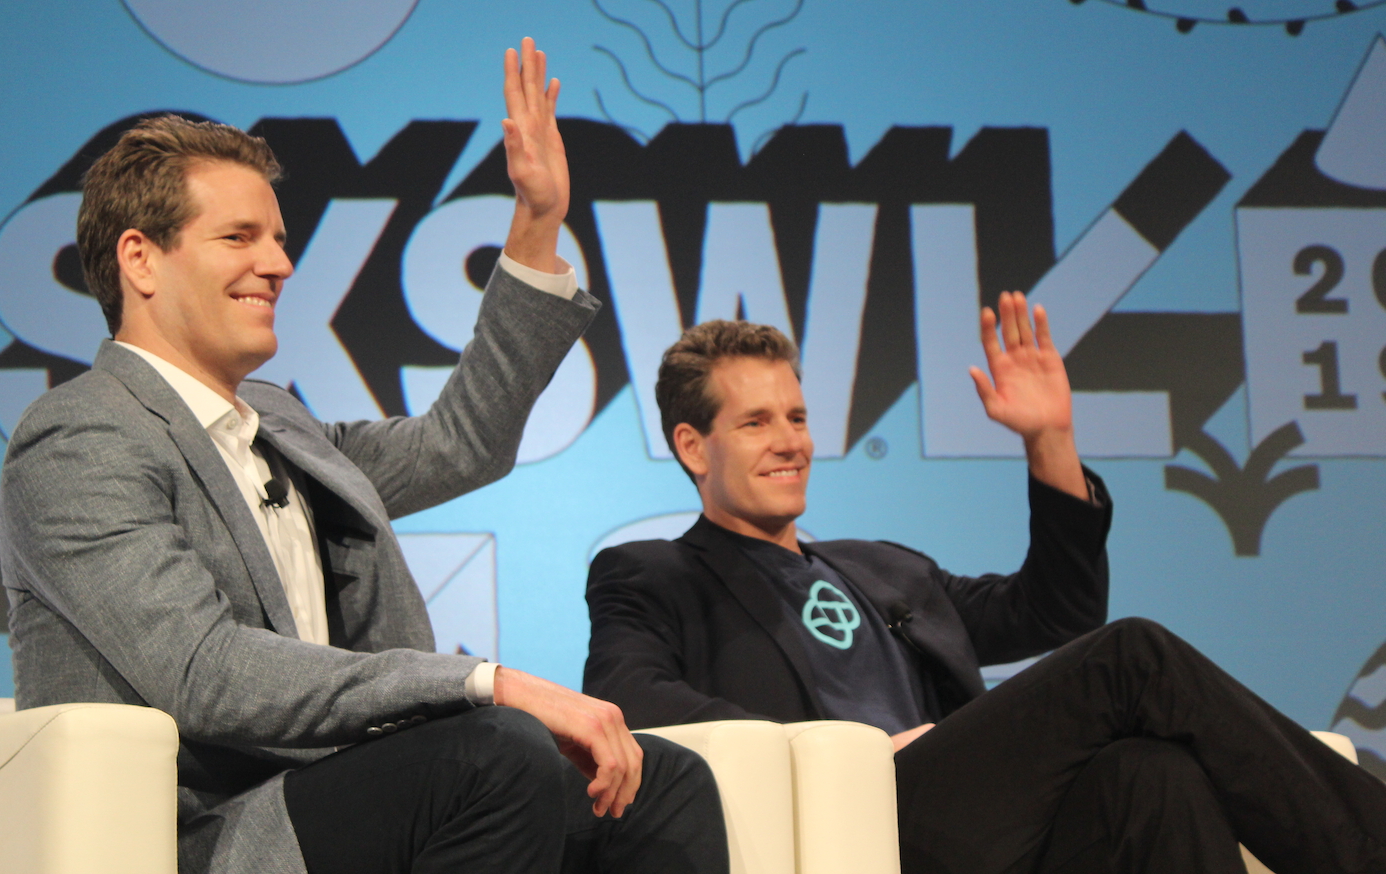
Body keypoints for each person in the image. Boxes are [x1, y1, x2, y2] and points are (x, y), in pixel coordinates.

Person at [0, 39, 726, 874]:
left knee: (661, 783)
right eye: (240, 237)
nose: (278, 264)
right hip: (213, 832)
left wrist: (536, 223)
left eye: (277, 238)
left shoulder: (274, 423)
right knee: (495, 751)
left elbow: (462, 444)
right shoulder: (78, 439)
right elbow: (205, 670)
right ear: (141, 259)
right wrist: (482, 682)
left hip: (351, 791)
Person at [584, 303, 1386, 874]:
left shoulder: (883, 566)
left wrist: (1050, 441)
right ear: (694, 445)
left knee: (1151, 775)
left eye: (796, 416)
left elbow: (1056, 612)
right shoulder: (652, 573)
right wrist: (842, 750)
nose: (790, 441)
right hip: (865, 810)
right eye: (756, 422)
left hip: (977, 814)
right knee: (1134, 654)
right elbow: (630, 696)